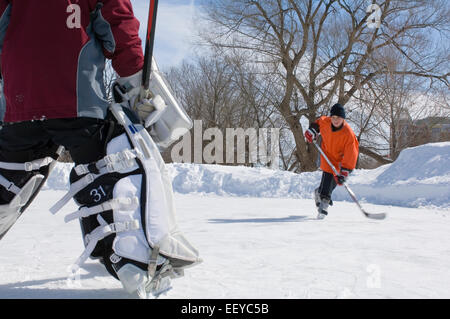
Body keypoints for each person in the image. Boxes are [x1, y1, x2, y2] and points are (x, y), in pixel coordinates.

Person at [0, 0, 200, 297]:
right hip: (78, 103)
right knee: (119, 166)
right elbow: (118, 25)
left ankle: (119, 249)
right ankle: (132, 258)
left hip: (20, 103)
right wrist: (135, 81)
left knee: (6, 183)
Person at [304, 103, 359, 219]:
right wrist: (312, 131)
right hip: (327, 154)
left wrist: (345, 171)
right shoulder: (326, 122)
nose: (335, 120)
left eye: (338, 118)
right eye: (333, 117)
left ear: (343, 118)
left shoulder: (348, 133)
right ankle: (324, 201)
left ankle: (320, 192)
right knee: (328, 175)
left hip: (341, 160)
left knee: (337, 179)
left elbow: (352, 153)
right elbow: (318, 123)